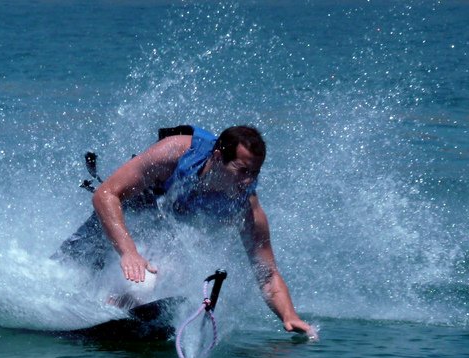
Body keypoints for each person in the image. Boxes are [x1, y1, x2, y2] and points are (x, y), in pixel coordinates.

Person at [56, 125, 314, 337]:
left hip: (164, 227)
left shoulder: (246, 205)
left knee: (148, 284)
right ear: (216, 157)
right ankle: (73, 304)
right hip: (127, 209)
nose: (248, 181)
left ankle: (114, 309)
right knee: (71, 267)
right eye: (242, 171)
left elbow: (267, 275)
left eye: (254, 173)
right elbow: (106, 194)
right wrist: (129, 252)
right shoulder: (173, 154)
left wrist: (289, 315)